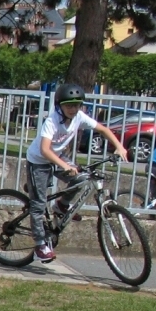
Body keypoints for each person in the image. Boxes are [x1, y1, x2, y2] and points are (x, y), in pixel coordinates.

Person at [25, 82, 127, 262]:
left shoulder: (79, 116)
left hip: (57, 157)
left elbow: (102, 129)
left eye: (76, 105)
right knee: (38, 205)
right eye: (68, 105)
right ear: (59, 105)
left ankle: (61, 205)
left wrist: (119, 147)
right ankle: (40, 245)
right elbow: (44, 150)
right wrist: (65, 166)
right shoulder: (52, 121)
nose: (73, 109)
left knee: (82, 178)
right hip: (39, 161)